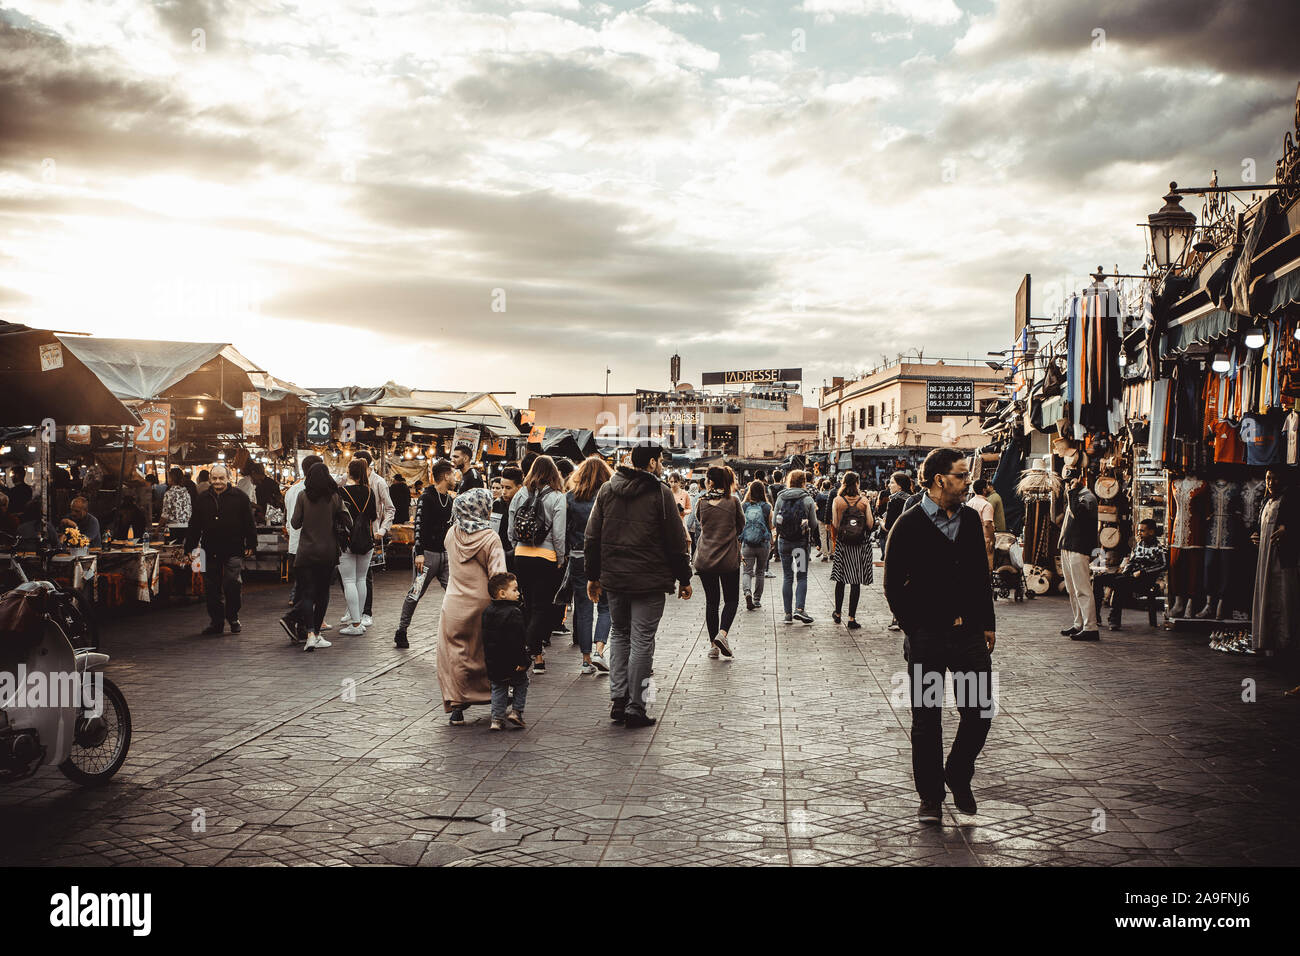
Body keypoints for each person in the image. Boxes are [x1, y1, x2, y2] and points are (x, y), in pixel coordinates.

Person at [883, 447, 996, 823]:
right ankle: (930, 797)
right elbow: (893, 585)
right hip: (928, 639)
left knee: (979, 710)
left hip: (968, 639)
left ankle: (958, 772)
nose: (967, 482)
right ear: (939, 480)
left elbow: (982, 576)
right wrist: (915, 627)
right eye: (961, 476)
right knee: (926, 720)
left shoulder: (968, 519)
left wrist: (987, 623)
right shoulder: (909, 524)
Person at [585, 444, 691, 729]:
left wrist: (593, 575)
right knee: (643, 639)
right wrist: (685, 577)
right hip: (650, 579)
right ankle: (636, 706)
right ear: (653, 462)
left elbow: (592, 536)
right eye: (660, 461)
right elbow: (675, 540)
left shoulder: (608, 489)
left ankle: (618, 700)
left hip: (615, 577)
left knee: (619, 634)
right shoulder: (660, 492)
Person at [438, 488, 507, 726]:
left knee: (456, 654)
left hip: (454, 603)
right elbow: (498, 576)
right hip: (483, 604)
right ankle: (492, 697)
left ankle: (457, 705)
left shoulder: (450, 534)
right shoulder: (490, 538)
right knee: (485, 652)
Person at [508, 455, 568, 673]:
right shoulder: (557, 497)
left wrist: (516, 546)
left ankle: (537, 655)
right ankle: (526, 651)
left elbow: (511, 524)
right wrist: (560, 558)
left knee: (527, 604)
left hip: (521, 555)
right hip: (546, 557)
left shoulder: (522, 493)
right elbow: (559, 533)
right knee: (542, 608)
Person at [184, 464, 257, 636]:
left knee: (232, 584)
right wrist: (190, 546)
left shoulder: (240, 497)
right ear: (210, 479)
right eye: (215, 478)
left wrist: (251, 543)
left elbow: (249, 523)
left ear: (228, 478)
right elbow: (195, 525)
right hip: (210, 549)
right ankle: (216, 622)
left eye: (221, 478)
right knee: (211, 588)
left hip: (233, 548)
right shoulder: (202, 498)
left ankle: (232, 616)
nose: (218, 482)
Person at [283, 462, 347, 651]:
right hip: (328, 552)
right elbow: (346, 518)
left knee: (308, 593)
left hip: (306, 552)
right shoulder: (334, 498)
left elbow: (294, 523)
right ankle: (318, 634)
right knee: (323, 593)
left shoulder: (303, 496)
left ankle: (310, 634)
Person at [394, 459, 455, 648]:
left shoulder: (450, 499)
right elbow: (419, 525)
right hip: (426, 556)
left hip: (445, 556)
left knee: (455, 592)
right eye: (452, 474)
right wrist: (419, 552)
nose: (454, 477)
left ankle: (454, 632)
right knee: (416, 591)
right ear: (445, 476)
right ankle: (401, 630)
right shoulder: (427, 497)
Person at [566, 456, 613, 674]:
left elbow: (564, 530)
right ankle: (599, 651)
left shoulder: (570, 498)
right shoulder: (609, 497)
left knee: (583, 608)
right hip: (606, 558)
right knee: (605, 607)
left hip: (577, 557)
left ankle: (585, 661)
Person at [694, 465, 745, 660]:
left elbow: (700, 523)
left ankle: (713, 646)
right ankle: (722, 635)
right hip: (728, 560)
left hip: (706, 559)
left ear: (710, 481)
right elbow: (741, 525)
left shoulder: (701, 502)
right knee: (731, 599)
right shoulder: (733, 502)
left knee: (711, 602)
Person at [1252, 465, 1300, 656]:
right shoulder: (1266, 501)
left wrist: (1287, 530)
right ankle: (1266, 639)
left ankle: (1284, 641)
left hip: (1282, 558)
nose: (1271, 483)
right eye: (1268, 478)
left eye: (1275, 479)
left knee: (1283, 596)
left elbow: (1293, 523)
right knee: (1267, 594)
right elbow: (1260, 526)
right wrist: (1256, 535)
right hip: (1265, 557)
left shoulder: (1291, 499)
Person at [1093, 518, 1167, 631]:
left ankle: (1114, 620)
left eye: (1142, 531)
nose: (1139, 533)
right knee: (1099, 579)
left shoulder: (1158, 547)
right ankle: (1095, 616)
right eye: (1139, 530)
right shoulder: (1139, 544)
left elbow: (1163, 565)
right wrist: (1125, 570)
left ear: (1151, 532)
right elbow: (1132, 561)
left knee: (1119, 583)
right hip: (1129, 577)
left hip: (1144, 580)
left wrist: (1143, 572)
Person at [349, 450, 394, 628]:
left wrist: (382, 530)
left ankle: (366, 612)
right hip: (351, 533)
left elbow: (390, 508)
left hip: (370, 532)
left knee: (365, 575)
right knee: (350, 574)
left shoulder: (379, 482)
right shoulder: (349, 480)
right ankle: (353, 610)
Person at [482, 572, 530, 730]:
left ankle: (496, 719)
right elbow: (518, 641)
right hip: (512, 662)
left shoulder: (487, 612)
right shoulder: (514, 613)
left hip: (494, 662)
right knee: (522, 683)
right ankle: (516, 711)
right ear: (502, 594)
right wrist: (523, 661)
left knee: (498, 687)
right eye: (515, 590)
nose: (518, 593)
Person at [337, 458, 378, 637]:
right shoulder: (370, 492)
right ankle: (359, 619)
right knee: (361, 579)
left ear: (349, 472)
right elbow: (373, 516)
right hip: (366, 541)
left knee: (348, 581)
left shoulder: (342, 492)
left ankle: (354, 623)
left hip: (346, 540)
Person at [1059, 466, 1100, 642]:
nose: (1068, 484)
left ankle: (1090, 627)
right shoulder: (1074, 496)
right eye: (1067, 481)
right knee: (1072, 589)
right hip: (1069, 546)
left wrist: (1073, 491)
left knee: (1082, 589)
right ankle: (1079, 623)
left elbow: (1078, 515)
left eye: (1071, 480)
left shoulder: (1087, 497)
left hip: (1079, 547)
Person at [773, 470, 820, 625]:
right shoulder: (807, 499)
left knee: (787, 577)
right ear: (803, 481)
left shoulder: (781, 497)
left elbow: (774, 522)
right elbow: (813, 524)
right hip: (800, 544)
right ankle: (799, 609)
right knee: (801, 577)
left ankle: (787, 614)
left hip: (784, 542)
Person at [829, 471, 874, 630]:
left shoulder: (837, 500)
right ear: (857, 484)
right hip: (859, 545)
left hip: (843, 544)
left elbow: (834, 523)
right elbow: (869, 524)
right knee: (855, 581)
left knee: (840, 579)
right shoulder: (864, 501)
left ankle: (838, 613)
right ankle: (852, 618)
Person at [282, 455, 322, 613]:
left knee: (302, 585)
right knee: (314, 587)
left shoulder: (291, 490)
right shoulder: (314, 491)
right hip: (311, 545)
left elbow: (289, 520)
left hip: (295, 545)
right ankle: (304, 621)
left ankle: (301, 621)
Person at [739, 480, 773, 612]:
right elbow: (771, 525)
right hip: (763, 544)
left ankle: (747, 592)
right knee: (760, 572)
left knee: (747, 571)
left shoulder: (744, 506)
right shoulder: (767, 507)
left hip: (747, 543)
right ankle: (757, 599)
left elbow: (741, 524)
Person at [491, 466, 523, 572]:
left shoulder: (524, 505)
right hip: (500, 554)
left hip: (518, 554)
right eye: (502, 487)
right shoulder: (497, 504)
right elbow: (494, 530)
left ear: (519, 487)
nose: (504, 491)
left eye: (508, 488)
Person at [160, 467, 193, 544]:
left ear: (172, 478)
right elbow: (189, 511)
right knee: (181, 552)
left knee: (171, 552)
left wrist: (157, 530)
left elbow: (165, 514)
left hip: (172, 529)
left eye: (169, 477)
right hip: (186, 527)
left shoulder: (169, 493)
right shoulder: (186, 493)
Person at [969, 479, 996, 571]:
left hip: (970, 539)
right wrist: (992, 540)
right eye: (987, 486)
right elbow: (987, 524)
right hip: (984, 540)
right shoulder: (986, 505)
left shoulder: (969, 503)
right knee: (987, 567)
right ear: (984, 490)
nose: (990, 488)